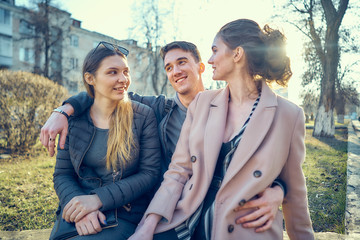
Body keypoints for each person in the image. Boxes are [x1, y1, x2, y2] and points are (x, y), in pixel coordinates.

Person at [41, 41, 285, 234]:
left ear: (201, 68)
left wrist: (280, 189)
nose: (175, 71)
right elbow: (104, 94)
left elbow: (269, 158)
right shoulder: (159, 109)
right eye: (169, 67)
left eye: (182, 63)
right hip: (171, 208)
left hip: (220, 208)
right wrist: (63, 110)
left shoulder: (232, 108)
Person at [128, 19, 314, 240]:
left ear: (237, 54)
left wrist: (280, 191)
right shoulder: (202, 103)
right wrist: (147, 226)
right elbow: (177, 173)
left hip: (245, 229)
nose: (210, 59)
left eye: (215, 50)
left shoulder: (289, 115)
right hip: (189, 223)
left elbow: (296, 194)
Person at [49, 42, 161, 240]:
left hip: (123, 213)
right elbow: (62, 174)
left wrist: (97, 200)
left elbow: (149, 174)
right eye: (113, 72)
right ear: (90, 78)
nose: (123, 79)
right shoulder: (74, 119)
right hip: (77, 214)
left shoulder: (142, 115)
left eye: (126, 72)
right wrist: (79, 207)